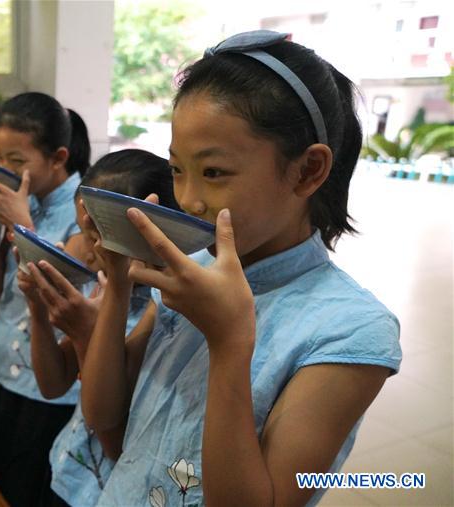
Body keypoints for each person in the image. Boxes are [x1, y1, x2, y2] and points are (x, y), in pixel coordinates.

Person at [80, 31, 402, 506]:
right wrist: (117, 285)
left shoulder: (352, 332)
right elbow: (103, 414)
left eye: (213, 173)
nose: (187, 200)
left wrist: (229, 343)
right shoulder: (193, 269)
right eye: (176, 170)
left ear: (308, 171)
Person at [16, 149, 177, 506]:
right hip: (66, 470)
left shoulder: (163, 307)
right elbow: (53, 383)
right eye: (86, 232)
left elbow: (111, 434)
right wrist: (38, 311)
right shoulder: (103, 289)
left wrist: (87, 334)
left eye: (99, 232)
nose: (91, 251)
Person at [0, 92, 91, 505]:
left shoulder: (83, 209)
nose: (4, 170)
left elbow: (59, 296)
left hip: (49, 385)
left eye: (17, 161)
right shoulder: (24, 199)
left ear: (58, 157)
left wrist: (22, 225)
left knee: (24, 492)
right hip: (4, 367)